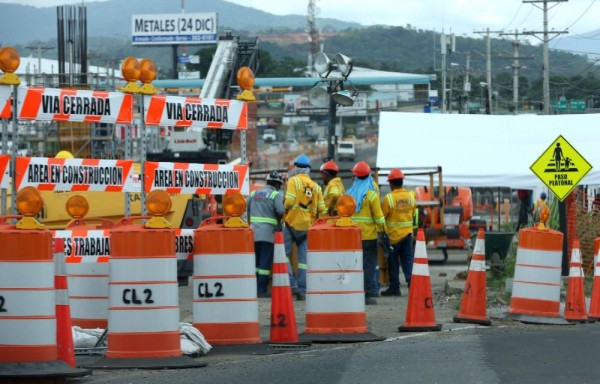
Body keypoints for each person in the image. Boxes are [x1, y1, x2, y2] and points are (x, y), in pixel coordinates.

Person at [284, 154, 327, 300]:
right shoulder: (316, 187)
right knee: (303, 261)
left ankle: (292, 285)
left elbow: (289, 202)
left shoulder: (293, 181)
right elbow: (322, 209)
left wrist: (283, 208)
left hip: (291, 224)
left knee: (282, 256)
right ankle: (302, 289)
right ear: (308, 169)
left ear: (296, 168)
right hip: (307, 227)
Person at [347, 161, 386, 305]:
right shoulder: (371, 195)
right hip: (369, 237)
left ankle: (351, 293)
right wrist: (383, 231)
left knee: (352, 265)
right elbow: (379, 217)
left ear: (355, 176)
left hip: (351, 236)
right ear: (369, 176)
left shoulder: (349, 194)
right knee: (368, 266)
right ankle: (366, 294)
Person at [247, 171, 285, 298]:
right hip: (268, 233)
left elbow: (244, 208)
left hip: (253, 233)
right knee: (264, 263)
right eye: (279, 184)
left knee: (256, 262)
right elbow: (280, 211)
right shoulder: (275, 195)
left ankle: (253, 288)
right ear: (276, 183)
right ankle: (261, 289)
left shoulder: (254, 193)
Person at [380, 169, 415, 296]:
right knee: (408, 260)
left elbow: (382, 216)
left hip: (393, 237)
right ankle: (412, 284)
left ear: (391, 184)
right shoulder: (410, 196)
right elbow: (412, 212)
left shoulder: (389, 199)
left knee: (393, 263)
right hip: (407, 234)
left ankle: (395, 288)